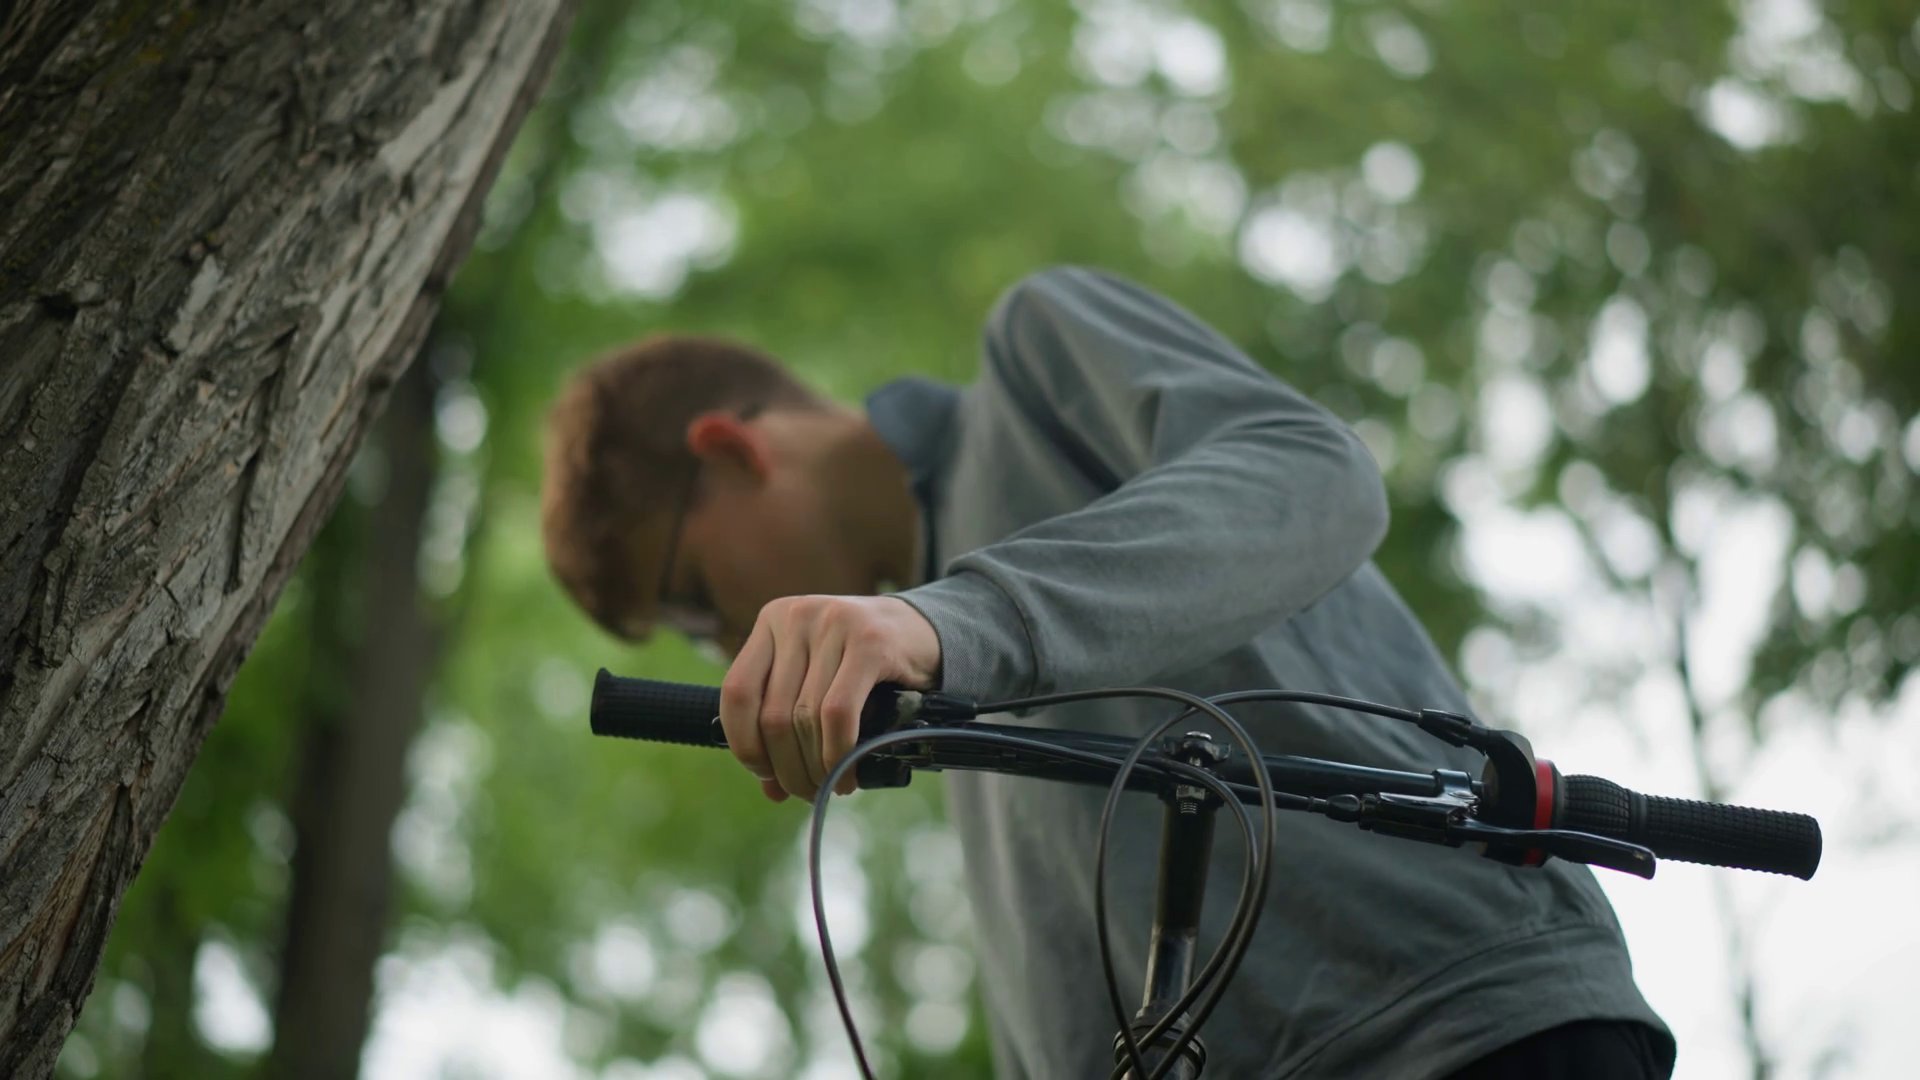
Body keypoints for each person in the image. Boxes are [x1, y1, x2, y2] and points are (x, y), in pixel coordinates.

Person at [540, 266, 1675, 1079]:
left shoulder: (1034, 358)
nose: (726, 647)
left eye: (692, 601)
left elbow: (1312, 474)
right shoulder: (933, 684)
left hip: (1465, 1030)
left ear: (730, 449)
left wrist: (956, 620)